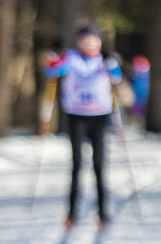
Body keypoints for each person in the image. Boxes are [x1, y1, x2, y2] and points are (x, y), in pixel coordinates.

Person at [44, 24, 121, 229]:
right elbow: (51, 71)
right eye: (84, 39)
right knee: (77, 165)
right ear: (78, 42)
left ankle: (103, 214)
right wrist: (54, 56)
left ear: (99, 42)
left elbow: (117, 77)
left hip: (99, 116)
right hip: (76, 116)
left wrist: (111, 61)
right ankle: (72, 214)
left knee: (99, 165)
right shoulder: (71, 58)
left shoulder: (105, 60)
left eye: (93, 39)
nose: (89, 42)